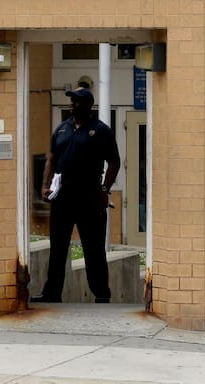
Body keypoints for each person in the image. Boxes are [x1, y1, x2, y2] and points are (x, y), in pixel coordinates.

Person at [32, 86, 121, 304]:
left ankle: (101, 294)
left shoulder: (101, 131)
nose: (73, 104)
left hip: (89, 199)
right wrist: (45, 187)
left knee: (94, 251)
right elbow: (51, 160)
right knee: (58, 249)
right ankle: (52, 293)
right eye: (72, 101)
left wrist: (104, 189)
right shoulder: (62, 129)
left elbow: (114, 162)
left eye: (78, 101)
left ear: (88, 105)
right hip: (63, 199)